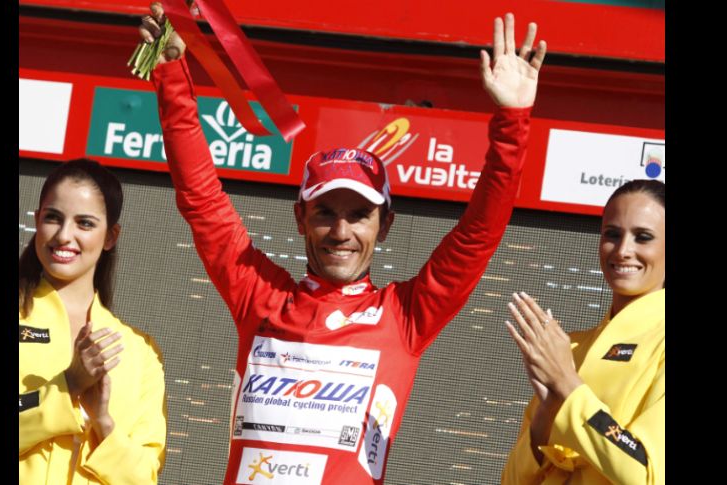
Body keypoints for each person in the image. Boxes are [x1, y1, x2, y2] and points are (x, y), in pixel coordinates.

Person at [142, 6, 546, 484]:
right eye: (325, 213)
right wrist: (170, 72)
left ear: (385, 225)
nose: (341, 232)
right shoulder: (261, 297)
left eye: (359, 215)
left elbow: (480, 232)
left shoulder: (405, 317)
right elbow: (202, 200)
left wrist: (513, 119)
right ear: (300, 218)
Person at [502, 179, 665, 484]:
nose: (623, 250)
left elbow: (645, 474)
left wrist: (568, 384)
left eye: (643, 237)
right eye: (612, 235)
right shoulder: (571, 348)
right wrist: (548, 409)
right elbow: (511, 480)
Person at [19, 159, 167, 484]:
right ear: (37, 220)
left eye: (84, 223)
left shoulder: (140, 353)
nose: (64, 235)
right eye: (53, 218)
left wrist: (103, 422)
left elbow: (144, 476)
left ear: (111, 236)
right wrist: (67, 387)